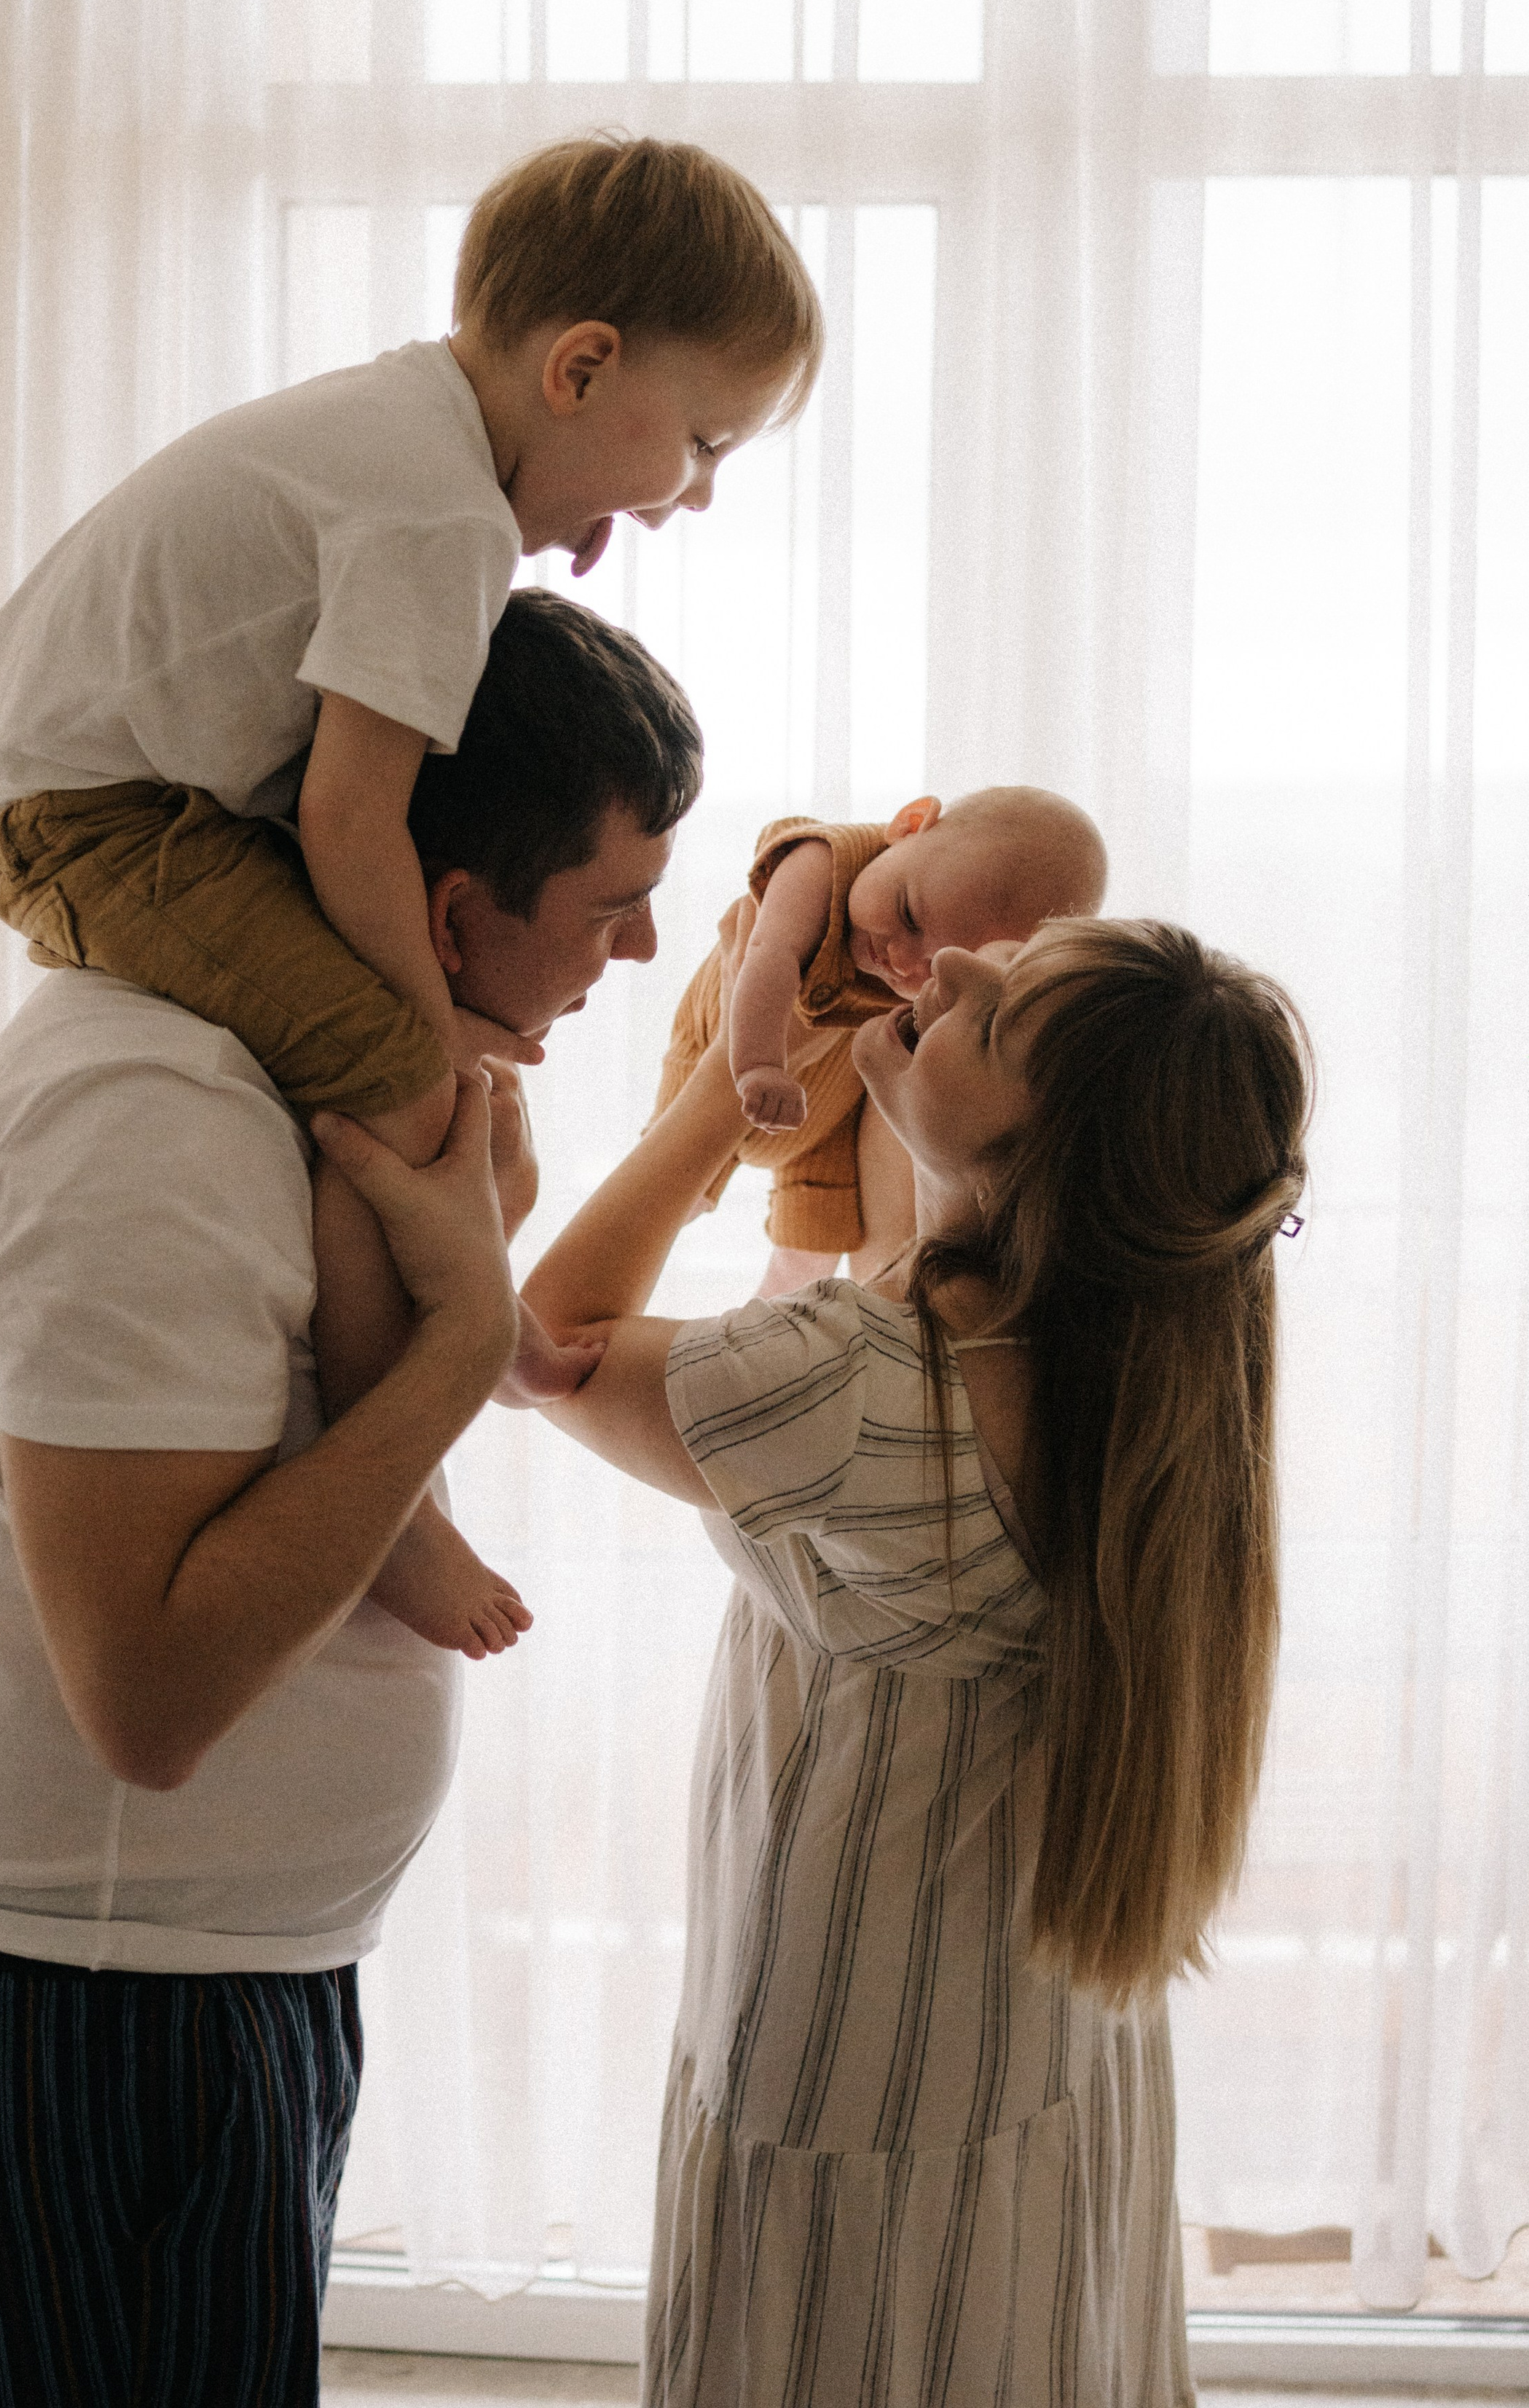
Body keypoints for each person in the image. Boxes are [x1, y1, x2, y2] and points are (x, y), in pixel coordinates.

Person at [0, 591, 703, 2408]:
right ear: (457, 908)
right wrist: (466, 1326)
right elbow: (149, 1696)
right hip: (95, 2004)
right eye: (611, 901)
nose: (642, 946)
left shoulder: (301, 1095)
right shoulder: (150, 1124)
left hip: (209, 1968)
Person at [0, 135, 820, 1654]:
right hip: (102, 822)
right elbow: (355, 814)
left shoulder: (407, 440)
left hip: (115, 794)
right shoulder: (437, 514)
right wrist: (424, 1047)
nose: (691, 501)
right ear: (582, 367)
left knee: (437, 1102)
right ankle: (398, 1502)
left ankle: (439, 1372)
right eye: (699, 443)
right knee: (401, 1092)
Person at [473, 901, 1312, 2404]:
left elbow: (546, 1338)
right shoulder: (1140, 1369)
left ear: (1041, 1163)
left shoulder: (853, 1391)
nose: (968, 966)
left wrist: (718, 1094)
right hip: (1034, 2024)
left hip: (845, 2045)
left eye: (999, 1017)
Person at [653, 785, 1107, 1292]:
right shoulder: (820, 865)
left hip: (826, 1114)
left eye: (938, 963)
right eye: (910, 915)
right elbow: (765, 953)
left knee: (808, 1256)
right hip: (733, 1042)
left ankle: (763, 1345)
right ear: (910, 824)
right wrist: (758, 1064)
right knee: (673, 1200)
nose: (901, 959)